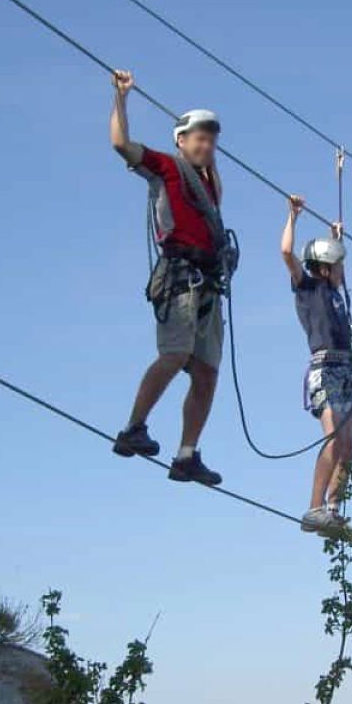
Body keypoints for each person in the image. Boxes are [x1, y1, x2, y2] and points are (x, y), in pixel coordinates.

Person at [108, 68, 230, 486]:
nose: (207, 145)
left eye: (211, 139)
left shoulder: (210, 187)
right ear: (181, 140)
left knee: (208, 371)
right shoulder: (167, 167)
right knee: (175, 354)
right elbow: (121, 144)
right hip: (180, 276)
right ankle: (133, 427)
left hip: (208, 283)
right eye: (199, 137)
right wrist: (122, 99)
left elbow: (213, 195)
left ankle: (187, 454)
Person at [280, 194, 352, 534]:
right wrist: (293, 218)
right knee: (333, 438)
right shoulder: (308, 287)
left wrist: (336, 237)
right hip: (324, 369)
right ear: (324, 269)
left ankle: (333, 507)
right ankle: (314, 508)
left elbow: (333, 255)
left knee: (349, 446)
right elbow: (287, 254)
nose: (343, 272)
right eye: (338, 266)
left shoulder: (337, 292)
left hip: (347, 371)